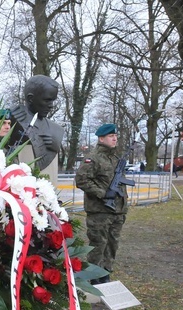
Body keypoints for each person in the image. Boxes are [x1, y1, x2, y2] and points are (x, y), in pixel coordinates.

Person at [74, 123, 128, 284]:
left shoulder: (115, 158)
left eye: (115, 136)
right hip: (100, 212)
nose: (115, 138)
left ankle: (105, 274)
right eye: (111, 136)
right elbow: (81, 180)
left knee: (112, 245)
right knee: (98, 245)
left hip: (117, 211)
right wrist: (103, 193)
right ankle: (93, 278)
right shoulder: (93, 158)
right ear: (101, 138)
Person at [8, 75, 64, 186]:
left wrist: (56, 145)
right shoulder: (14, 118)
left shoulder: (56, 129)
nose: (51, 106)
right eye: (47, 100)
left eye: (52, 101)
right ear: (30, 98)